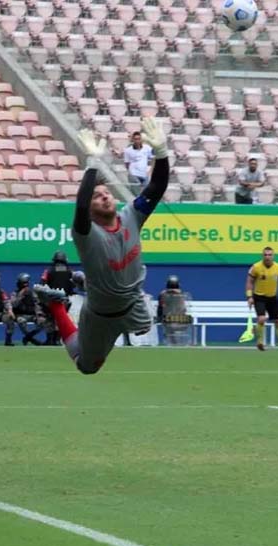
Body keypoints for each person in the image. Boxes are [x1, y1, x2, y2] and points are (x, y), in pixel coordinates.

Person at [33, 117, 169, 374]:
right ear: (91, 209)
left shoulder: (132, 216)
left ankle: (85, 282)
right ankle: (57, 305)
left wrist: (161, 153)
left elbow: (157, 186)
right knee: (86, 366)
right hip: (100, 316)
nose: (105, 195)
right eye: (97, 196)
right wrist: (92, 164)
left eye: (106, 192)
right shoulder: (86, 234)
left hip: (132, 302)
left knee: (144, 328)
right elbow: (81, 206)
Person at [245, 246, 278, 351]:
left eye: (270, 255)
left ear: (273, 256)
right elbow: (249, 282)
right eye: (265, 255)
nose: (267, 257)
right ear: (262, 256)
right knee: (261, 319)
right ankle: (260, 342)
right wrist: (249, 297)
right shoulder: (255, 267)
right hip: (259, 297)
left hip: (272, 298)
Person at [156, 275, 192, 346]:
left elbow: (160, 308)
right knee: (171, 322)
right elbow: (184, 309)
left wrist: (159, 317)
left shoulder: (162, 294)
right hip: (183, 321)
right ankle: (176, 343)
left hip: (168, 320)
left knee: (167, 322)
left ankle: (173, 343)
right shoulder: (184, 295)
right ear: (178, 285)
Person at [11, 273, 44, 346]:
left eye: (26, 283)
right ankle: (33, 340)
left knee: (43, 322)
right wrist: (21, 295)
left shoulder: (32, 293)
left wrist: (39, 314)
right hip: (21, 315)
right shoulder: (15, 293)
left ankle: (28, 337)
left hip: (32, 315)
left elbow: (37, 304)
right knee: (21, 321)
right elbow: (14, 304)